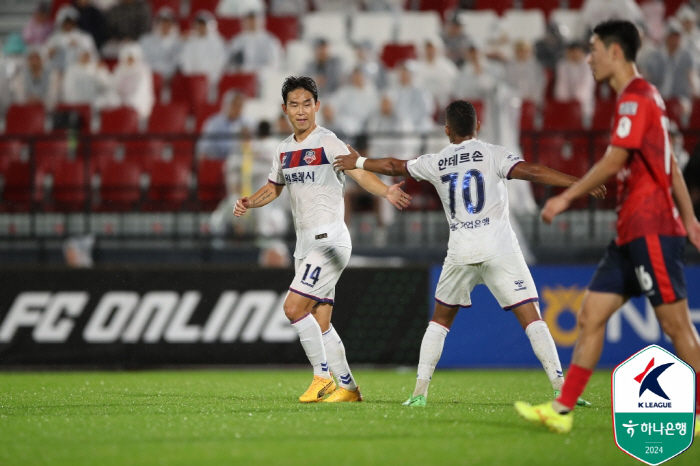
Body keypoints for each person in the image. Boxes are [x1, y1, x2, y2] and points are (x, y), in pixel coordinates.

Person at [333, 100, 605, 407]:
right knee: (532, 318)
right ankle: (562, 388)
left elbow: (395, 166)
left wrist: (358, 161)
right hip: (499, 247)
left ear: (447, 131)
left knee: (439, 322)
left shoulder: (437, 161)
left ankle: (419, 394)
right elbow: (531, 171)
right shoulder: (493, 153)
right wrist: (577, 182)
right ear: (478, 126)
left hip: (461, 250)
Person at [514, 20, 700, 436]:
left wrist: (565, 196)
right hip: (630, 231)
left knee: (676, 327)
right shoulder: (638, 99)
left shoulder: (636, 97)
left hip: (651, 228)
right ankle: (562, 410)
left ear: (616, 52)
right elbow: (670, 165)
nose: (590, 57)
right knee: (591, 315)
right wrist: (690, 218)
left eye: (595, 49)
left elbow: (616, 158)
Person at [233, 76, 411, 403]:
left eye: (306, 104)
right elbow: (273, 187)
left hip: (330, 241)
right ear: (285, 109)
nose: (300, 111)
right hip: (304, 244)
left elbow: (358, 171)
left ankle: (322, 378)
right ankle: (348, 388)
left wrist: (385, 190)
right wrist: (248, 201)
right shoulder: (284, 150)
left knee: (292, 307)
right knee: (320, 320)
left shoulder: (329, 143)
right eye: (294, 105)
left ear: (317, 106)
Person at [196, 90, 255, 160]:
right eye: (234, 104)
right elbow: (204, 148)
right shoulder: (214, 123)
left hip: (239, 163)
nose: (237, 108)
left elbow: (255, 148)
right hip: (218, 162)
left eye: (240, 105)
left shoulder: (248, 123)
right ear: (226, 104)